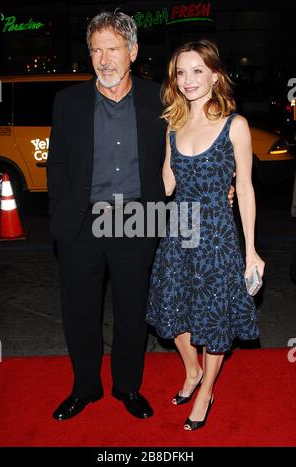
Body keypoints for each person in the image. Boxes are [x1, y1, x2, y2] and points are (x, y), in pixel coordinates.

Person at [47, 11, 167, 421]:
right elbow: (58, 166)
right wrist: (61, 220)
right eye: (96, 50)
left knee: (133, 312)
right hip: (83, 223)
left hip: (137, 218)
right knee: (80, 312)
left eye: (112, 49)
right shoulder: (68, 101)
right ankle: (85, 387)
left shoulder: (159, 99)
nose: (103, 59)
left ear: (132, 51)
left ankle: (128, 387)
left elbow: (186, 148)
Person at [146, 40, 265, 431]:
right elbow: (166, 185)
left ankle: (206, 389)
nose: (188, 80)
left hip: (216, 235)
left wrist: (251, 250)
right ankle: (192, 370)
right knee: (170, 308)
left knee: (214, 318)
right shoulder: (173, 125)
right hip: (179, 230)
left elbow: (245, 189)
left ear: (215, 74)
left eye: (197, 70)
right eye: (181, 72)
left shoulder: (236, 125)